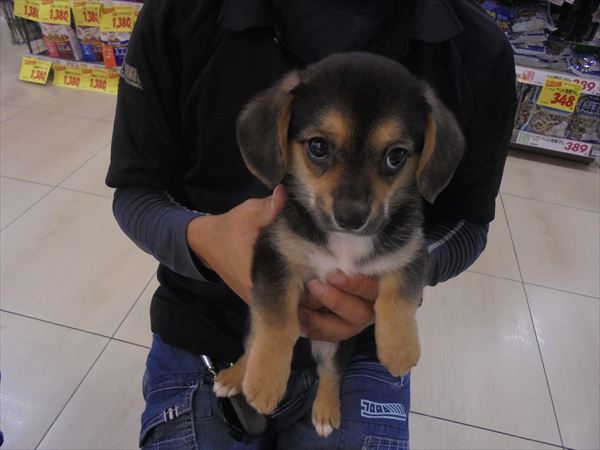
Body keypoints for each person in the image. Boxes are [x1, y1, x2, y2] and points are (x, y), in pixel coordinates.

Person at [106, 0, 517, 448]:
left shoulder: (477, 50)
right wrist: (204, 239)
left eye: (394, 156)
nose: (351, 207)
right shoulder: (179, 14)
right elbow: (137, 191)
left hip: (360, 350)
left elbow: (466, 223)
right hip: (204, 330)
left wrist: (400, 273)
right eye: (320, 148)